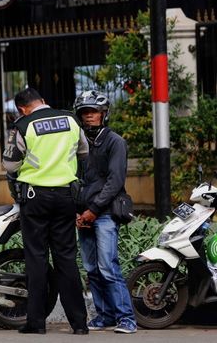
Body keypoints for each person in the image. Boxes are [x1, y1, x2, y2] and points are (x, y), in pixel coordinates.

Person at [1, 88, 89, 335]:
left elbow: (10, 164)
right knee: (66, 259)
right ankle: (79, 324)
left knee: (37, 259)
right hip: (65, 196)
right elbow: (84, 153)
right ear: (43, 100)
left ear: (22, 108)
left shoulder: (23, 125)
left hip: (35, 198)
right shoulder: (71, 119)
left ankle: (36, 323)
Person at [73, 90, 137, 334]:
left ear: (103, 114)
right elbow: (75, 179)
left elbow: (115, 181)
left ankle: (126, 318)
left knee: (108, 267)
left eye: (93, 112)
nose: (88, 116)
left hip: (106, 213)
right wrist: (78, 211)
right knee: (91, 269)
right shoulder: (79, 145)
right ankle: (104, 316)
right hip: (84, 214)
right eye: (84, 112)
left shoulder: (115, 142)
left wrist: (94, 210)